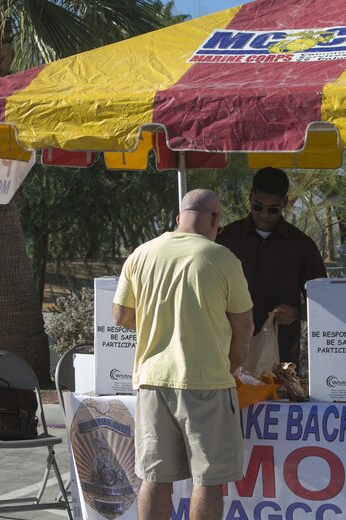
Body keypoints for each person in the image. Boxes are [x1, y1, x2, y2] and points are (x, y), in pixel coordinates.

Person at [112, 189, 254, 520]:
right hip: (207, 381)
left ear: (180, 217)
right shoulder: (222, 258)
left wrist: (158, 325)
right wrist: (232, 364)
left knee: (154, 478)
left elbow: (120, 316)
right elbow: (244, 325)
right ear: (215, 219)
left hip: (151, 380)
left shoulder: (141, 254)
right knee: (208, 479)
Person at [217, 166, 327, 365]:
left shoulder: (302, 246)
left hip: (281, 355)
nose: (264, 215)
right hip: (228, 353)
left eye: (273, 209)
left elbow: (324, 299)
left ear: (286, 203)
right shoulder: (226, 239)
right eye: (258, 207)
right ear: (250, 198)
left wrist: (297, 313)